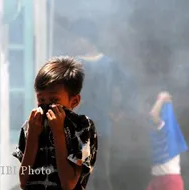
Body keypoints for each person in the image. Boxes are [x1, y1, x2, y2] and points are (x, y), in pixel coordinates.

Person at [67, 18, 136, 190]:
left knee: (98, 171)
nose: (76, 41)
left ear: (88, 39)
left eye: (79, 37)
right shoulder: (73, 64)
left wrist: (120, 111)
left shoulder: (108, 64)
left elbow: (128, 85)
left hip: (99, 126)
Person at [12, 57, 98, 190]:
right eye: (41, 100)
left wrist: (58, 132)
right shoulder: (31, 127)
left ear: (74, 101)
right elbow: (24, 181)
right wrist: (33, 137)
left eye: (54, 100)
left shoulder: (81, 127)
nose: (46, 106)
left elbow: (68, 184)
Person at [147, 91, 188, 190]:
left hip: (170, 180)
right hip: (156, 178)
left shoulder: (165, 127)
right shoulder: (158, 131)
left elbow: (153, 115)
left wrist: (161, 99)